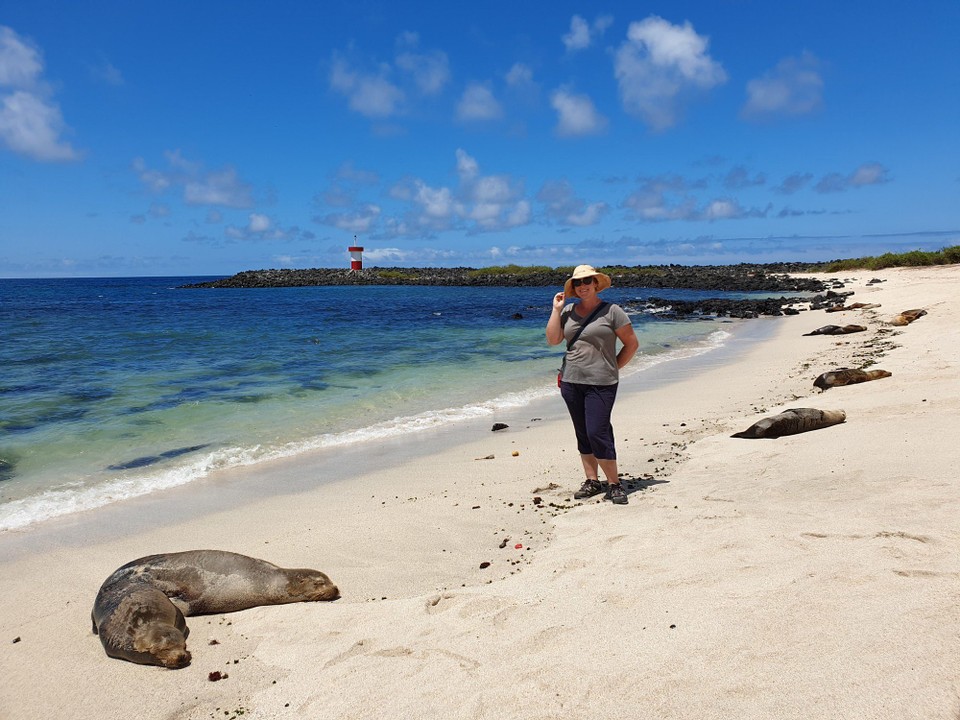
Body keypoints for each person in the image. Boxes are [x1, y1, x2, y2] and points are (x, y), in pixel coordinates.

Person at [545, 265, 639, 505]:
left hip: (602, 382)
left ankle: (614, 483)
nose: (583, 285)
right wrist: (556, 310)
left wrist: (613, 367)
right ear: (574, 287)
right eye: (578, 283)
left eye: (587, 281)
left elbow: (631, 344)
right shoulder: (567, 310)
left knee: (598, 431)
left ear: (596, 284)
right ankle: (592, 480)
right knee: (583, 432)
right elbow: (553, 339)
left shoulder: (612, 311)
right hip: (571, 380)